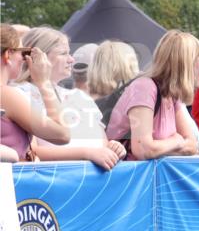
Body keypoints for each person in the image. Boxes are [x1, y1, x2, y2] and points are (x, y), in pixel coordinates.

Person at [105, 31, 199, 160]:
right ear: (186, 66)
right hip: (130, 178)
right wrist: (176, 141)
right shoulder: (145, 88)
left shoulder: (171, 95)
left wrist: (161, 147)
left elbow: (191, 146)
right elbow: (143, 150)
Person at [14, 27, 124, 170]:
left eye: (69, 53)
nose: (71, 59)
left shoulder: (80, 97)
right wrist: (86, 153)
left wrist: (113, 148)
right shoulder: (19, 95)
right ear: (38, 56)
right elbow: (30, 151)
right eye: (63, 53)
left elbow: (102, 143)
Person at [0, 24, 70, 160]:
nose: (24, 59)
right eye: (23, 52)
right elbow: (63, 134)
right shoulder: (6, 95)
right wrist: (44, 82)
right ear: (8, 54)